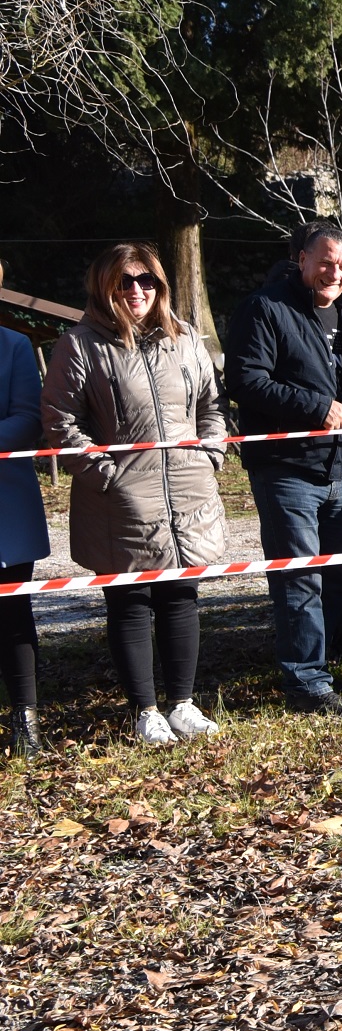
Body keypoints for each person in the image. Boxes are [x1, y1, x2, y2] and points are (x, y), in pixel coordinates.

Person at [41, 244, 225, 744]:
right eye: (124, 282)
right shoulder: (79, 345)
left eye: (146, 280)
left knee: (182, 596)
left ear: (160, 286)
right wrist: (105, 474)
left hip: (189, 490)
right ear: (105, 287)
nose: (136, 291)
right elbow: (60, 421)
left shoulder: (185, 338)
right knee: (130, 601)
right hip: (121, 497)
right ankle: (145, 711)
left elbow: (211, 405)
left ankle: (183, 705)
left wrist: (211, 456)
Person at [227, 222, 342, 714]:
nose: (335, 273)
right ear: (302, 260)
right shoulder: (266, 309)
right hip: (287, 470)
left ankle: (318, 667)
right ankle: (306, 683)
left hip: (340, 467)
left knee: (333, 577)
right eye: (326, 261)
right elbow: (244, 380)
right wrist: (315, 407)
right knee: (299, 579)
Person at [0, 256, 43, 757]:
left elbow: (28, 418)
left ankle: (25, 717)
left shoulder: (12, 346)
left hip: (3, 506)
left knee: (12, 614)